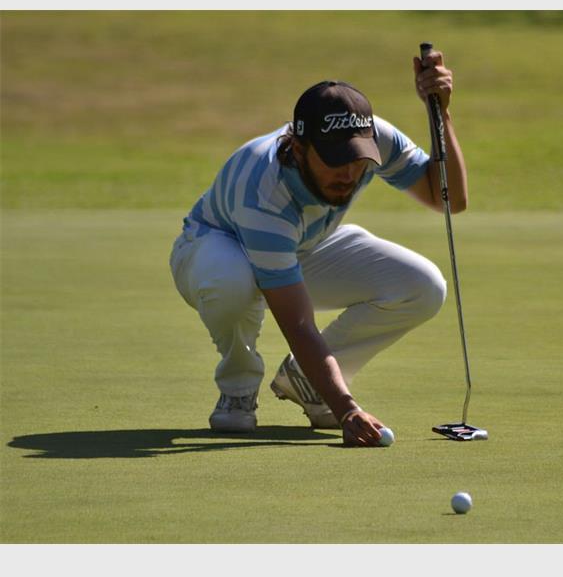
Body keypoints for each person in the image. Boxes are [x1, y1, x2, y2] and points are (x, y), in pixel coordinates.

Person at [169, 48, 467, 446]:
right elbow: (298, 324)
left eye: (357, 159)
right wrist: (346, 408)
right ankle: (238, 385)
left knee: (423, 286)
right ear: (299, 148)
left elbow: (448, 198)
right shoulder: (264, 191)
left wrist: (440, 113)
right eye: (335, 159)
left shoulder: (376, 138)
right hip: (213, 246)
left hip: (303, 245)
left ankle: (307, 382)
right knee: (232, 280)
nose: (349, 173)